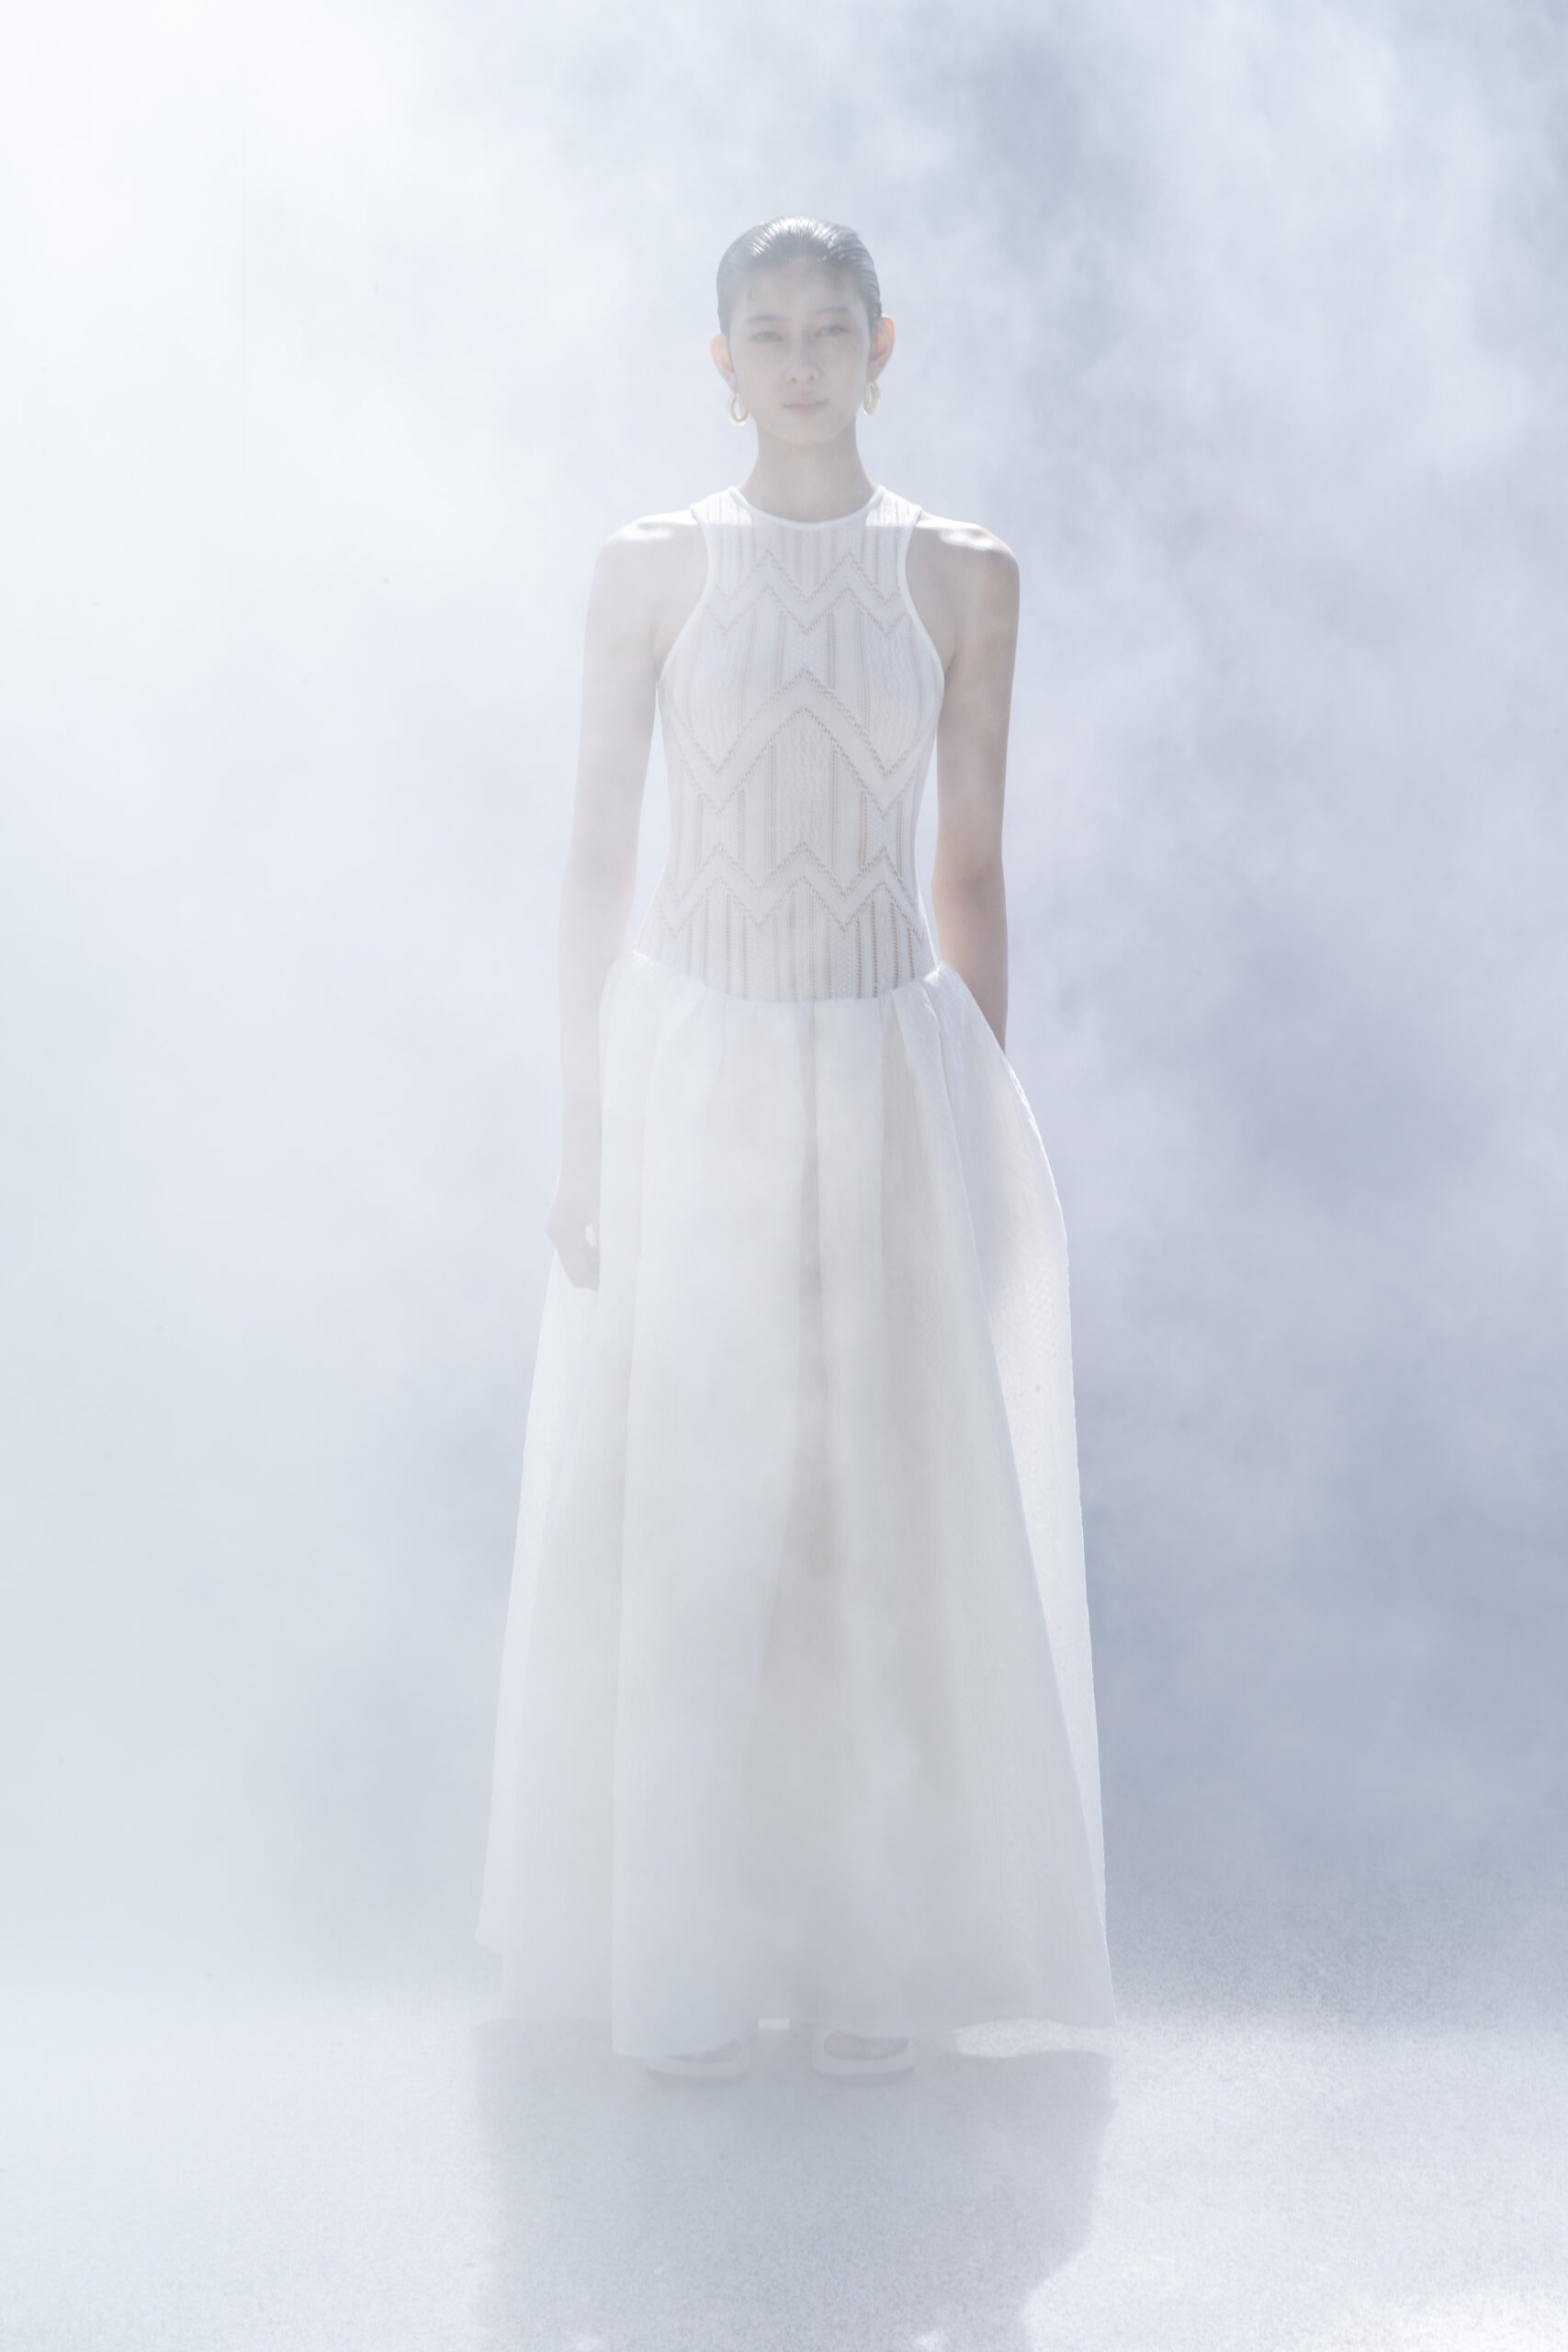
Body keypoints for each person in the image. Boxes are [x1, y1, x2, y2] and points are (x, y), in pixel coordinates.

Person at [479, 217, 1115, 2081]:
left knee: (871, 1514)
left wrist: (977, 1121)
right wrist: (583, 1121)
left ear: (882, 345)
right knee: (694, 1505)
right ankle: (683, 1945)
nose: (801, 359)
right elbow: (596, 854)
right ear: (721, 364)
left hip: (887, 1058)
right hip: (697, 1067)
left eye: (830, 328)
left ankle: (863, 1954)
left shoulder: (965, 574)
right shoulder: (648, 567)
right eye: (765, 333)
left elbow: (971, 865)